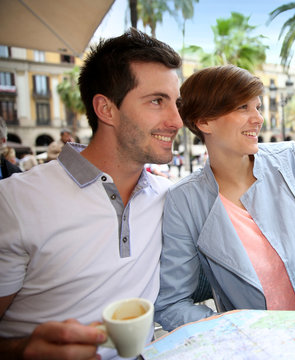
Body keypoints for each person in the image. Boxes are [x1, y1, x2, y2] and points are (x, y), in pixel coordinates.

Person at [0, 29, 183, 359]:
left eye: (177, 103)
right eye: (157, 101)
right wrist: (22, 350)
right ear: (106, 109)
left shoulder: (168, 198)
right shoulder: (13, 201)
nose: (177, 120)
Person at [155, 65, 295, 333]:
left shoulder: (293, 160)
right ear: (204, 122)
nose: (258, 118)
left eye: (257, 107)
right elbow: (171, 303)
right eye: (242, 108)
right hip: (255, 345)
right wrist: (235, 329)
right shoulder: (184, 201)